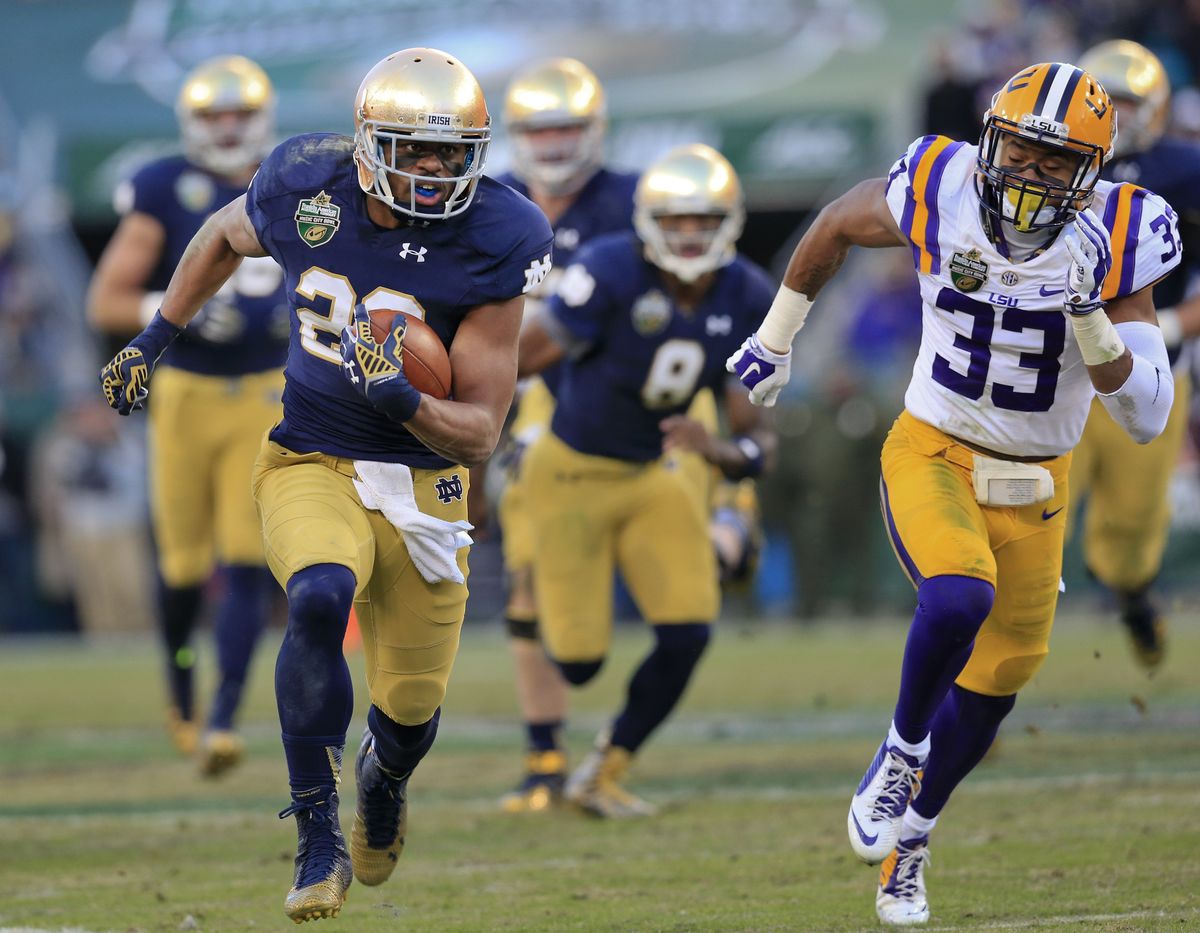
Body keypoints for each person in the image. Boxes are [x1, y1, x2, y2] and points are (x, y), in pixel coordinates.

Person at [99, 47, 553, 923]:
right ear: (367, 143)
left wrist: (404, 395)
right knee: (316, 594)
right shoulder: (305, 183)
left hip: (425, 488)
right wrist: (157, 337)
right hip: (309, 457)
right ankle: (316, 833)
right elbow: (222, 235)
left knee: (410, 713)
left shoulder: (500, 235)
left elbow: (482, 431)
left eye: (450, 151)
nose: (433, 167)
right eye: (413, 149)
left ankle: (383, 778)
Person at [727, 62, 1177, 924]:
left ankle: (914, 840)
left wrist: (1090, 314)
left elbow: (1149, 412)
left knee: (1001, 677)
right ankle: (900, 750)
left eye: (1057, 162)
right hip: (934, 444)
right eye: (1020, 149)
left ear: (1093, 171)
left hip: (1040, 479)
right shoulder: (941, 184)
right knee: (959, 591)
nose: (1030, 174)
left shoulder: (1122, 231)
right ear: (991, 137)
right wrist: (778, 338)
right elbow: (833, 225)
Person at [518, 143, 777, 818]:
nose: (689, 234)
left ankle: (604, 768)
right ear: (647, 221)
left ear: (730, 220)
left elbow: (759, 440)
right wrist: (465, 423)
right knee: (577, 662)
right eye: (675, 219)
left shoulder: (748, 293)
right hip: (570, 472)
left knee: (689, 630)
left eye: (703, 219)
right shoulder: (608, 268)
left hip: (653, 474)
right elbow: (524, 354)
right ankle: (539, 599)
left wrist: (718, 450)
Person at [87, 55, 287, 776]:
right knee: (180, 568)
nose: (229, 128)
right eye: (214, 116)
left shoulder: (296, 180)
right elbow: (107, 299)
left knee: (245, 558)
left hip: (268, 389)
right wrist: (178, 311)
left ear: (264, 115)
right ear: (191, 124)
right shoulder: (166, 184)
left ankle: (226, 711)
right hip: (185, 394)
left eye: (239, 114)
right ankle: (183, 694)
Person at [491, 57, 641, 813]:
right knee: (526, 571)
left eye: (566, 128)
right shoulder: (487, 204)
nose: (551, 144)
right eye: (538, 130)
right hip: (523, 408)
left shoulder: (637, 202)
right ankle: (544, 751)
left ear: (595, 130)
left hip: (627, 403)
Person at [1070, 40, 1200, 669]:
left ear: (1155, 108)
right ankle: (975, 670)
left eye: (1127, 102)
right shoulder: (1046, 158)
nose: (1115, 115)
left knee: (1126, 540)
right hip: (1055, 376)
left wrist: (1172, 323)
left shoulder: (1185, 170)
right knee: (1018, 515)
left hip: (1145, 371)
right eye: (1105, 101)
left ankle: (1132, 595)